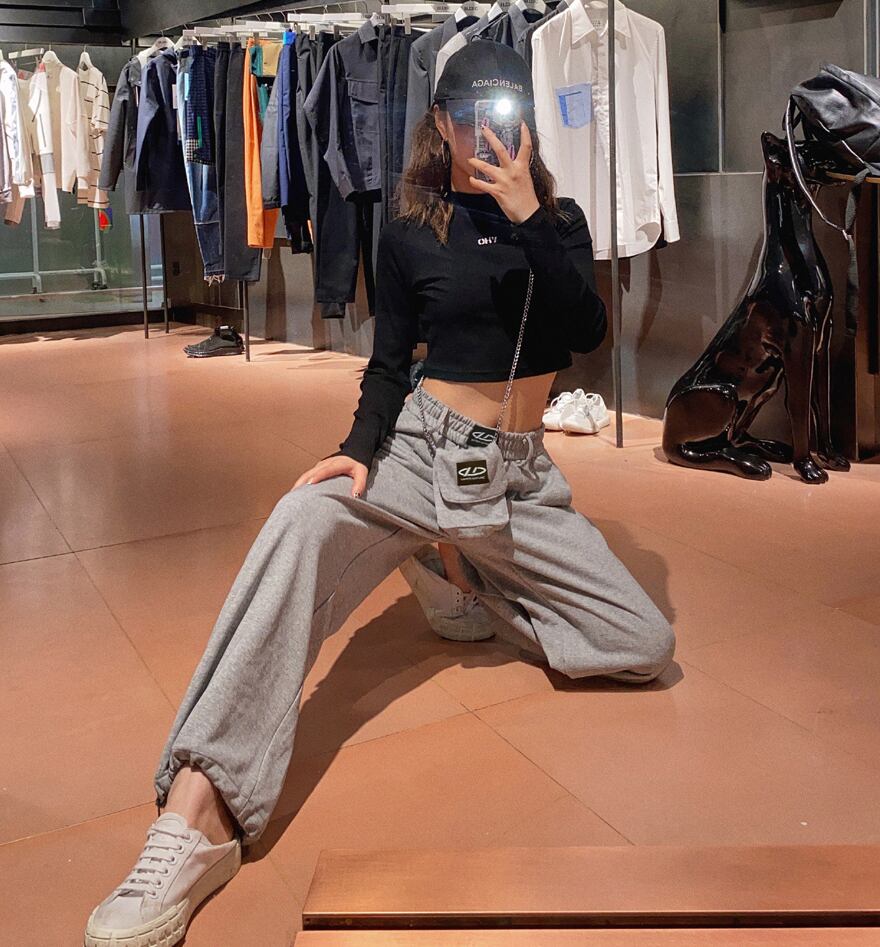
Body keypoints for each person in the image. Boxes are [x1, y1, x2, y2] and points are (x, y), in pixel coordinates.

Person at [84, 40, 675, 947]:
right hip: (423, 453)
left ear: (526, 123)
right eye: (466, 116)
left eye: (502, 115)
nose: (485, 134)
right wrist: (357, 451)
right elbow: (391, 362)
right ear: (439, 122)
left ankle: (455, 569)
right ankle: (195, 814)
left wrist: (530, 218)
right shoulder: (407, 229)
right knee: (299, 522)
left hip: (520, 477)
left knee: (640, 642)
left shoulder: (557, 220)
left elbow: (586, 332)